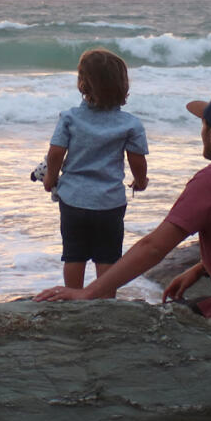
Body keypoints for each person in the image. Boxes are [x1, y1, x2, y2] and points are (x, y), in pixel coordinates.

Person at [36, 89, 211, 399]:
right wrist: (200, 269)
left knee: (167, 327)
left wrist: (89, 292)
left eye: (202, 125)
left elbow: (155, 246)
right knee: (205, 304)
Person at [40, 48, 149, 289]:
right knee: (107, 257)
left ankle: (72, 296)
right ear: (123, 85)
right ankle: (105, 300)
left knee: (74, 255)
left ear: (82, 84)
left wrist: (51, 177)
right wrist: (140, 180)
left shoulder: (70, 118)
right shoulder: (130, 124)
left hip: (73, 199)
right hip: (109, 202)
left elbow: (56, 152)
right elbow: (137, 159)